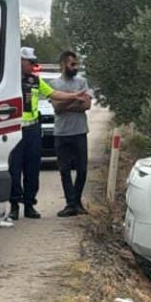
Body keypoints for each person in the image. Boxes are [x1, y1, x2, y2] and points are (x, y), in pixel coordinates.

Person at [7, 47, 86, 220]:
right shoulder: (8, 82)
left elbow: (54, 94)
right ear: (20, 62)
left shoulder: (35, 80)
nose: (33, 66)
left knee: (32, 169)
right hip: (15, 130)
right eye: (31, 62)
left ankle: (29, 205)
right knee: (14, 169)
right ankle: (14, 205)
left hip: (33, 128)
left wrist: (74, 95)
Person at [48, 51, 92, 217]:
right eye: (72, 64)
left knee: (82, 169)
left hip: (79, 131)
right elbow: (56, 107)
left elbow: (86, 105)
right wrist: (74, 99)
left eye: (76, 64)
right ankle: (70, 203)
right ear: (63, 65)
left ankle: (77, 201)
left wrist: (65, 102)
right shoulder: (54, 84)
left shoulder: (82, 82)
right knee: (64, 170)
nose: (75, 67)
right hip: (61, 132)